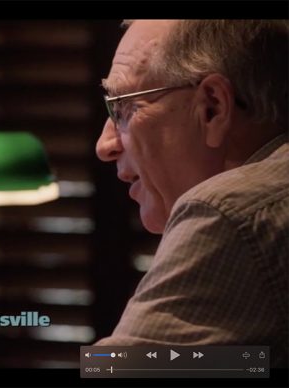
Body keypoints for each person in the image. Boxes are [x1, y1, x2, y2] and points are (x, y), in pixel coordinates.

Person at [93, 20, 288, 368]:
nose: (104, 145)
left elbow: (114, 369)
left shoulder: (230, 214)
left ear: (212, 107)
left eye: (121, 107)